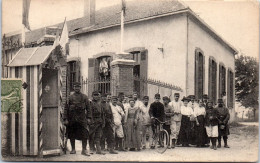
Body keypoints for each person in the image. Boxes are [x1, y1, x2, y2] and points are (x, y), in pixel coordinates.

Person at [63, 82, 91, 156]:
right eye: (75, 87)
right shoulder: (70, 97)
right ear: (74, 87)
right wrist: (65, 118)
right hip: (72, 117)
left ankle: (84, 149)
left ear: (80, 87)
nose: (77, 88)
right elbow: (66, 108)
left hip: (82, 117)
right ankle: (73, 149)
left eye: (78, 87)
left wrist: (88, 117)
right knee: (72, 133)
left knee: (84, 133)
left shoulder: (84, 97)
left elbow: (88, 108)